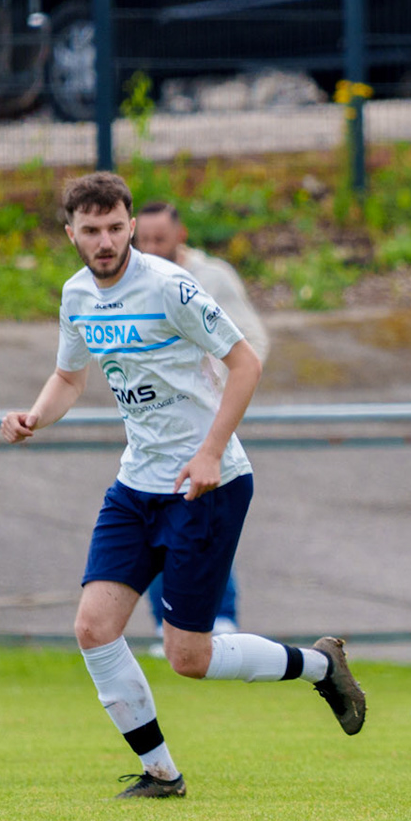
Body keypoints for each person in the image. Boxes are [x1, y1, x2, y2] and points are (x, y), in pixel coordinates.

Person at [0, 172, 366, 800]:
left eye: (116, 227)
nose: (105, 240)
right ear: (71, 234)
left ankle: (320, 665)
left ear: (132, 225)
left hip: (209, 484)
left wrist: (209, 453)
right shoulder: (76, 296)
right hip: (137, 486)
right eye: (91, 231)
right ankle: (160, 774)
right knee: (93, 627)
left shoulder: (170, 286)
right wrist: (35, 414)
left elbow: (245, 363)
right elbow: (68, 378)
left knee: (189, 658)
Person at [133, 201, 271, 650]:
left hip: (207, 423)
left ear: (181, 235)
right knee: (159, 520)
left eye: (160, 239)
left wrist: (218, 392)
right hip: (160, 426)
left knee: (204, 514)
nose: (151, 248)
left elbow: (252, 342)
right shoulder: (131, 281)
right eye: (144, 240)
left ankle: (223, 615)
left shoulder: (211, 279)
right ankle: (164, 624)